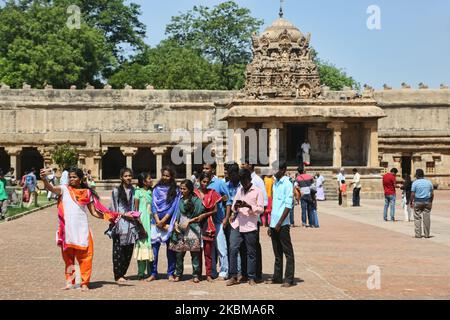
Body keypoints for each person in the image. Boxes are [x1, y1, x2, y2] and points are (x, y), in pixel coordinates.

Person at [39, 167, 107, 291]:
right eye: (70, 177)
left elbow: (94, 212)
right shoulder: (64, 189)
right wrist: (44, 179)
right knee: (68, 259)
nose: (71, 179)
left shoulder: (87, 193)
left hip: (82, 230)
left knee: (86, 258)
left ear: (80, 179)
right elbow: (52, 188)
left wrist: (109, 217)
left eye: (74, 177)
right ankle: (70, 282)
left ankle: (84, 283)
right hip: (67, 231)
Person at [227, 169, 264, 287]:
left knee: (251, 252)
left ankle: (251, 277)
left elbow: (261, 209)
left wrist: (248, 205)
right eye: (241, 181)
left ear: (250, 179)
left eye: (245, 180)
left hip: (250, 225)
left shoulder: (257, 191)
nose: (243, 183)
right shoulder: (240, 190)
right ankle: (233, 275)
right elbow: (233, 207)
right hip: (238, 224)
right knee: (233, 248)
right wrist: (237, 206)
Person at [109, 168, 141, 283]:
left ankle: (123, 272)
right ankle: (118, 275)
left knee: (128, 251)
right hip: (120, 223)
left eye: (130, 176)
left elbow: (136, 206)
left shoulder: (134, 190)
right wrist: (124, 214)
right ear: (121, 177)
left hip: (131, 225)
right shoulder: (116, 191)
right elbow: (112, 209)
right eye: (126, 176)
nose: (128, 178)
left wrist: (135, 215)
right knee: (118, 251)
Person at [266, 161, 295, 288]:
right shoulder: (275, 183)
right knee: (277, 253)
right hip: (274, 224)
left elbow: (288, 205)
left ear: (283, 170)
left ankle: (289, 279)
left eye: (276, 169)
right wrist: (270, 225)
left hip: (282, 225)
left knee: (287, 252)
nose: (273, 171)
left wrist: (279, 223)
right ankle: (277, 277)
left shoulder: (287, 184)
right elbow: (275, 206)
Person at [149, 166, 181, 282]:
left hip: (168, 223)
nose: (165, 177)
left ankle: (170, 273)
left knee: (170, 250)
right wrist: (157, 220)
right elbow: (153, 204)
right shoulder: (156, 189)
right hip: (156, 222)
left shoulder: (176, 190)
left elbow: (174, 206)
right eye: (164, 175)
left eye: (168, 175)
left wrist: (164, 220)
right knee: (154, 250)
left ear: (171, 177)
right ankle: (153, 273)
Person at [170, 180, 204, 283]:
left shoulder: (196, 200)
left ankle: (196, 275)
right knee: (179, 254)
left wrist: (189, 221)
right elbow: (176, 214)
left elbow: (199, 215)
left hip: (193, 229)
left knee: (195, 254)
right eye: (181, 188)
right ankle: (178, 274)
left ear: (189, 189)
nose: (182, 190)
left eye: (184, 189)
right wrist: (175, 223)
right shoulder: (179, 201)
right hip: (180, 229)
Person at [240, 159, 268, 282]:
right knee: (244, 247)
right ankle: (246, 272)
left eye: (244, 163)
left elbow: (264, 202)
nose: (242, 165)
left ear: (250, 165)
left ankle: (257, 273)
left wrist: (258, 216)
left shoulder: (257, 181)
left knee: (254, 247)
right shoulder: (242, 180)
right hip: (242, 220)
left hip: (253, 219)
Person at [202, 162, 230, 280]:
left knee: (221, 247)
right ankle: (212, 271)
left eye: (207, 168)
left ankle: (224, 271)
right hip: (205, 222)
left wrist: (226, 218)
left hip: (218, 221)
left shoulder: (219, 183)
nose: (205, 170)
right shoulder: (201, 184)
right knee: (210, 248)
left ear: (213, 170)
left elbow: (228, 200)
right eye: (203, 168)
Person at [194, 172, 222, 282]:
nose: (205, 184)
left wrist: (204, 215)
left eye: (207, 182)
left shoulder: (213, 193)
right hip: (196, 223)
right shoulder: (194, 193)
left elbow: (215, 210)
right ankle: (196, 274)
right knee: (196, 251)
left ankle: (208, 274)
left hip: (208, 223)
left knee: (208, 251)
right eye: (203, 181)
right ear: (199, 181)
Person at [225, 163, 247, 282]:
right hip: (230, 220)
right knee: (232, 247)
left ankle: (242, 272)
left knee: (243, 248)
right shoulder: (226, 185)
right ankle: (232, 272)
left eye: (233, 174)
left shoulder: (242, 186)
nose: (231, 176)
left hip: (243, 219)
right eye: (229, 174)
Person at [133, 172, 154, 281]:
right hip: (142, 222)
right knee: (142, 245)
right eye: (149, 178)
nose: (151, 180)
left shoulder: (151, 191)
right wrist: (139, 224)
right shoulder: (137, 192)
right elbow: (135, 210)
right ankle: (141, 272)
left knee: (150, 245)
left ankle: (150, 272)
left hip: (151, 222)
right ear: (144, 181)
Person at [410, 169, 434, 238]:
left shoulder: (415, 183)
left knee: (417, 218)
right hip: (427, 201)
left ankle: (418, 234)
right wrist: (431, 201)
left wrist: (411, 202)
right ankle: (427, 234)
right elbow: (432, 194)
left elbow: (412, 194)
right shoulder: (429, 182)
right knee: (427, 218)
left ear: (417, 175)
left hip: (418, 201)